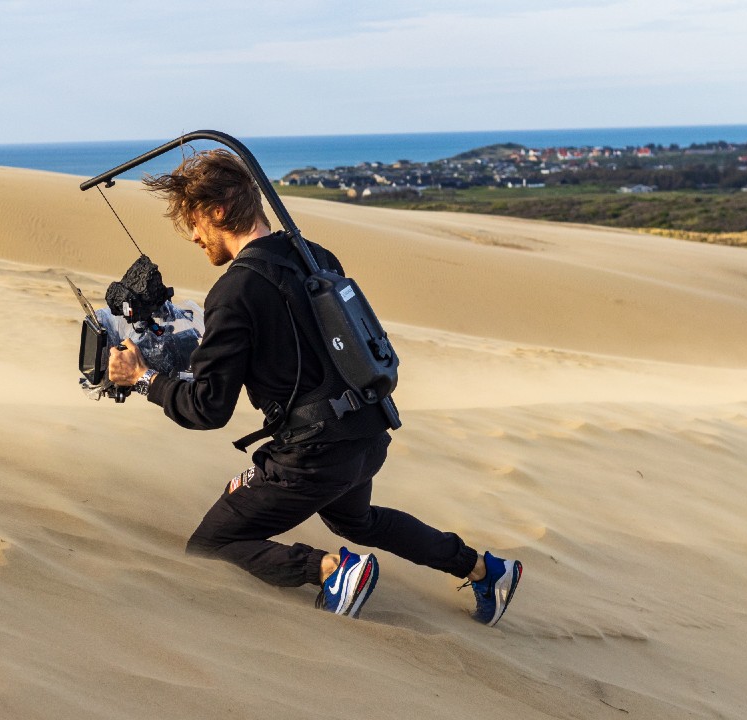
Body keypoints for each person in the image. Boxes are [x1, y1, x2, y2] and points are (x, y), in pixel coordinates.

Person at [107, 149, 521, 625]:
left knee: (209, 546)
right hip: (366, 435)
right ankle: (485, 569)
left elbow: (207, 408)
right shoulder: (315, 256)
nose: (194, 236)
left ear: (218, 211)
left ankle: (331, 570)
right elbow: (303, 346)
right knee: (357, 520)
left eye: (194, 222)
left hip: (314, 458)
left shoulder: (234, 290)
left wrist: (143, 379)